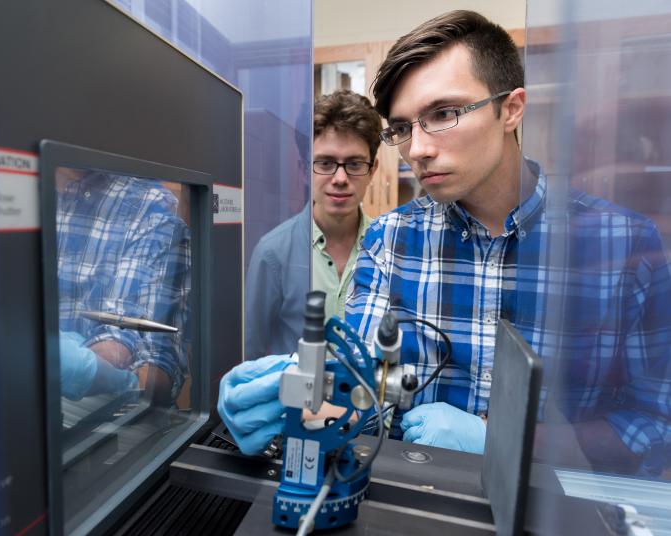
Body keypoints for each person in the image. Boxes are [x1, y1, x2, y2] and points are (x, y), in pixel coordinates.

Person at [221, 10, 671, 476]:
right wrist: (293, 400)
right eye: (402, 128)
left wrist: (505, 436)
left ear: (511, 108)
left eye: (443, 114)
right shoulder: (391, 239)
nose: (416, 149)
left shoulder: (624, 246)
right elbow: (358, 384)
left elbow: (656, 425)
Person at [244, 89, 381, 359]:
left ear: (372, 170)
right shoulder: (273, 253)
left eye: (354, 164)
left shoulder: (389, 247)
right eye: (326, 163)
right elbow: (251, 356)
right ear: (303, 169)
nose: (340, 178)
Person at [56, 168, 190, 406]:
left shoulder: (146, 206)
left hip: (110, 419)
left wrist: (87, 366)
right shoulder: (9, 191)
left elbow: (144, 360)